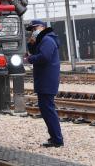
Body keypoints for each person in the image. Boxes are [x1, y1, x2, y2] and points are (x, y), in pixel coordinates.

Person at [25, 19, 64, 147]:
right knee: (46, 109)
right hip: (44, 80)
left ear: (42, 27)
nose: (33, 32)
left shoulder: (47, 40)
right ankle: (55, 138)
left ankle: (57, 139)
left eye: (34, 29)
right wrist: (31, 44)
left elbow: (44, 57)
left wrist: (29, 59)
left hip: (47, 80)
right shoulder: (44, 40)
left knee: (48, 109)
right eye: (31, 30)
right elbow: (36, 52)